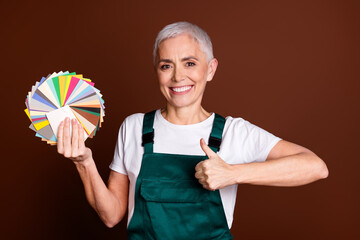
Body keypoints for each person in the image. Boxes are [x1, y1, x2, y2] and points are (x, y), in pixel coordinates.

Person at [57, 22, 329, 239]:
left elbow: (315, 166)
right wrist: (84, 163)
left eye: (190, 63)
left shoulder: (234, 132)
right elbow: (111, 215)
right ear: (157, 72)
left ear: (210, 69)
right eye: (166, 66)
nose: (177, 77)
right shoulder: (134, 127)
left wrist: (233, 173)